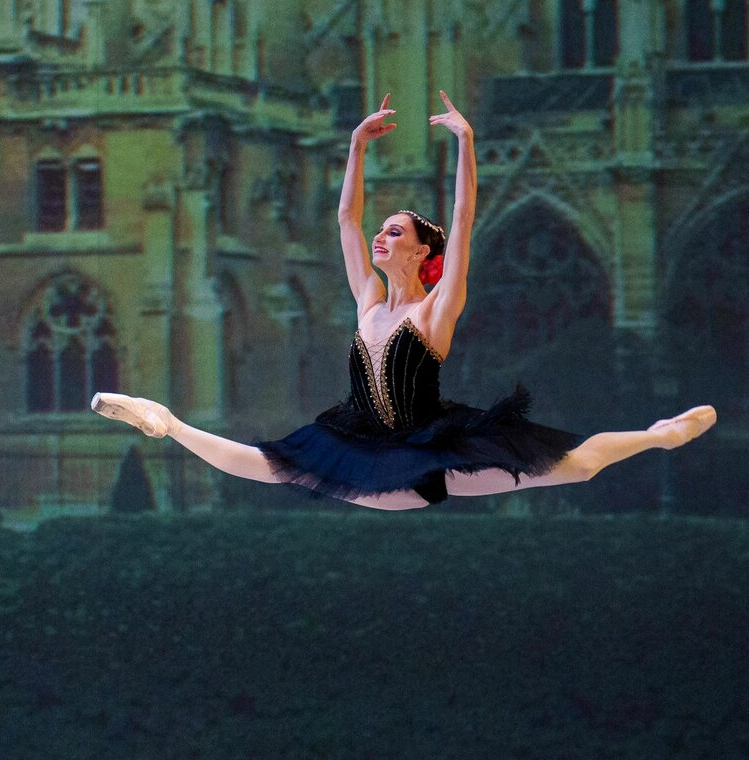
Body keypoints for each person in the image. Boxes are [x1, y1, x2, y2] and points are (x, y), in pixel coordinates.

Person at [92, 91, 716, 510]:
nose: (379, 237)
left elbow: (463, 220)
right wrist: (357, 146)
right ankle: (165, 421)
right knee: (262, 463)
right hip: (362, 452)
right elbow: (345, 218)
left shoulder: (435, 309)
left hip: (425, 461)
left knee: (575, 465)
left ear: (420, 253)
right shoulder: (368, 300)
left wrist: (466, 144)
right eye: (382, 230)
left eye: (395, 232)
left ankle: (659, 435)